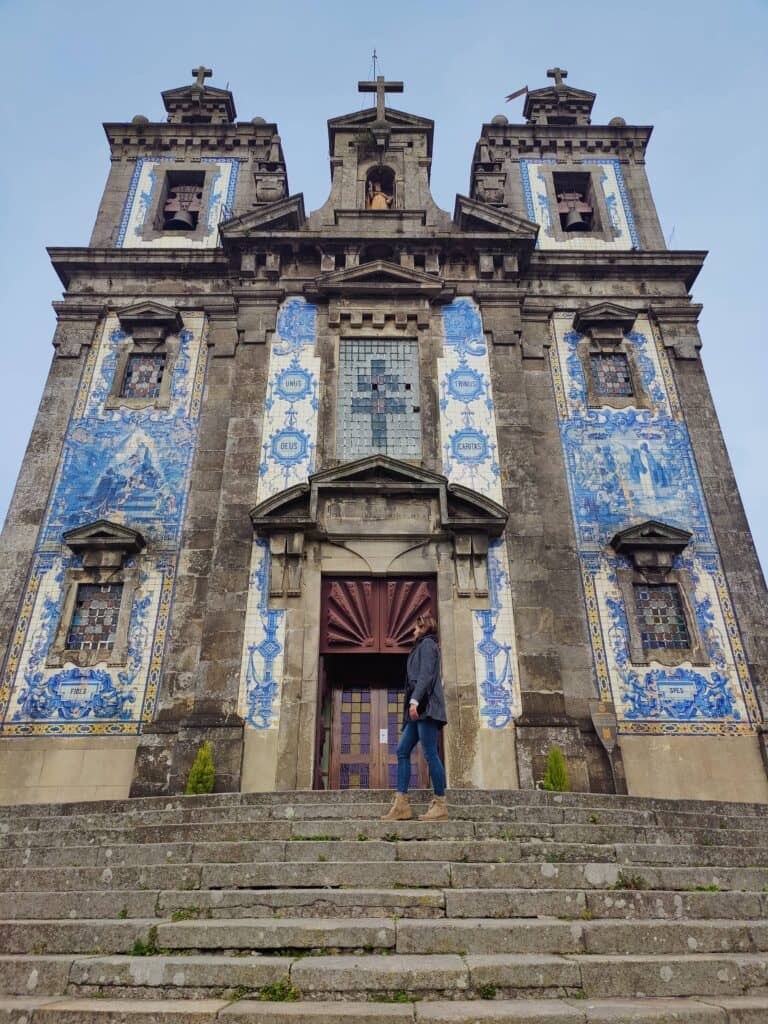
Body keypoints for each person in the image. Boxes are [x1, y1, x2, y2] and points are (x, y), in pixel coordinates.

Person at [381, 613, 448, 822]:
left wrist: (415, 700)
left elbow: (427, 675)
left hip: (425, 708)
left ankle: (440, 805)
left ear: (425, 628)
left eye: (416, 628)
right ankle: (401, 805)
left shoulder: (428, 645)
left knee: (430, 753)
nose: (413, 631)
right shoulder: (420, 647)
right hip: (418, 711)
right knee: (402, 750)